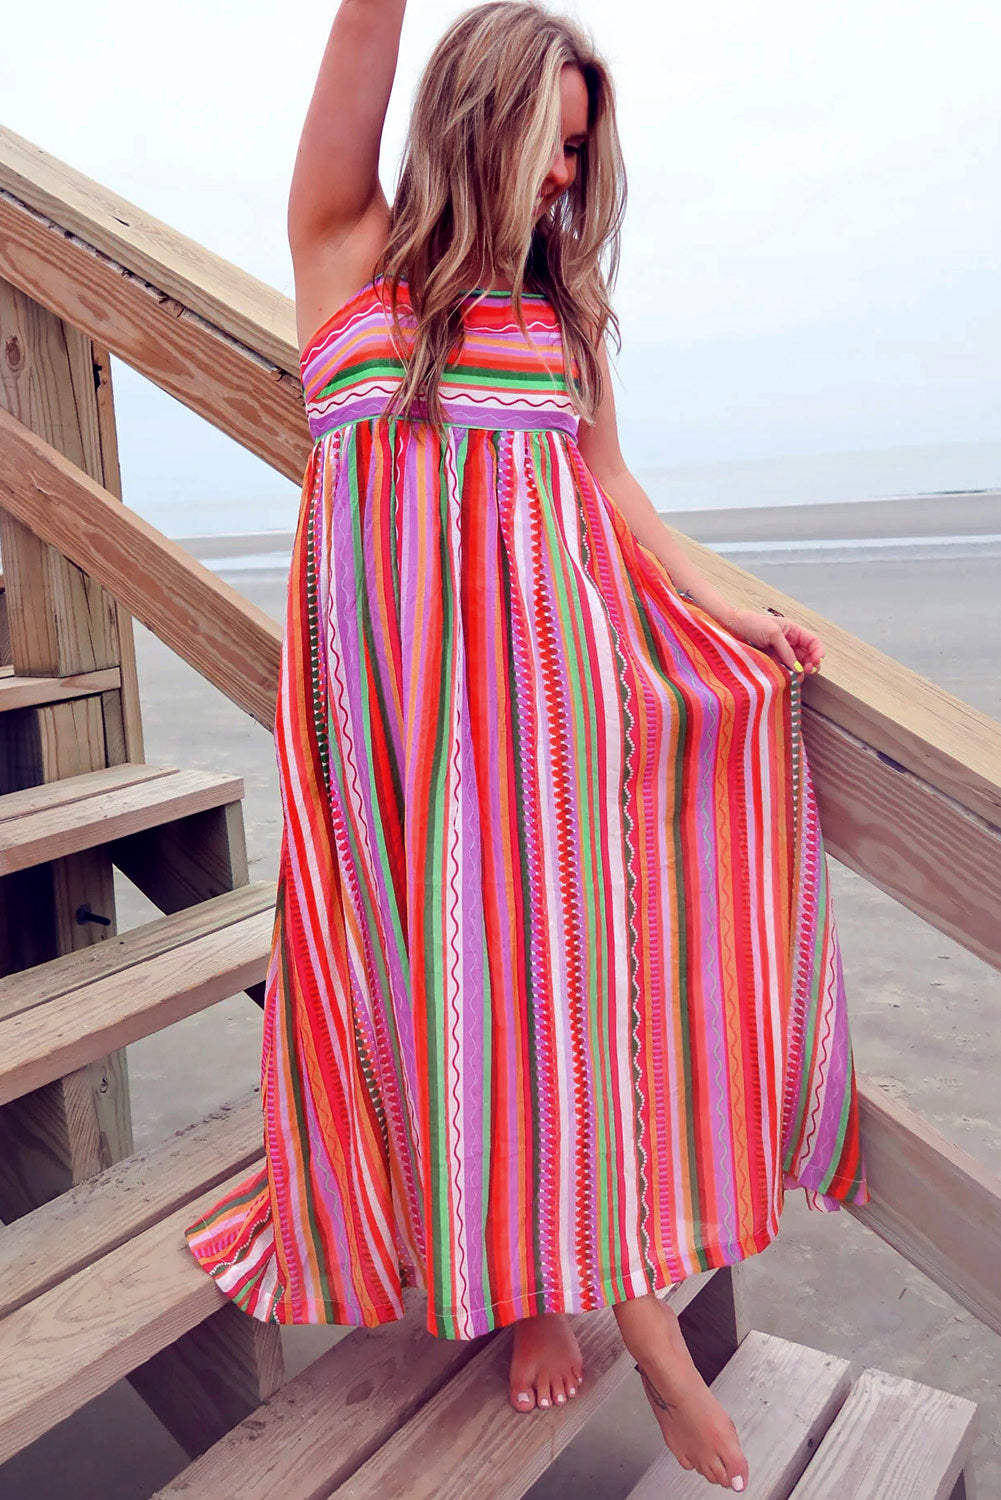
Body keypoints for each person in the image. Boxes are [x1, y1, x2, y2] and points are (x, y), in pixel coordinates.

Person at [185, 1, 869, 1490]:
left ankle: (625, 1328)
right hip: (386, 720)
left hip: (547, 716)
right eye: (547, 145)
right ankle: (525, 1284)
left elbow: (610, 489)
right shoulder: (347, 252)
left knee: (554, 998)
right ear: (475, 119)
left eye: (578, 156)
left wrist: (714, 602)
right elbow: (361, 39)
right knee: (429, 991)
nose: (562, 178)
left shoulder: (563, 318)